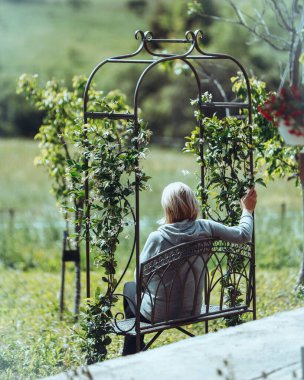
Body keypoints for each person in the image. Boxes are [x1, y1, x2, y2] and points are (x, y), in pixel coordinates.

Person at [122, 182, 257, 355]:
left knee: (129, 288)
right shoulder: (206, 227)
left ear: (167, 208)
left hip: (158, 314)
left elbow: (139, 277)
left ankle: (131, 350)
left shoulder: (158, 237)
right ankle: (133, 348)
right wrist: (247, 210)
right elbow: (243, 235)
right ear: (193, 204)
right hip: (192, 309)